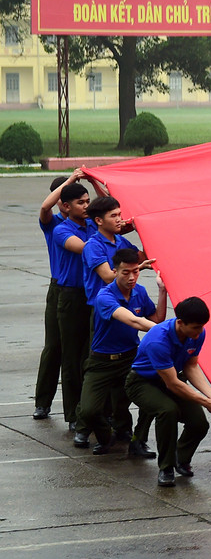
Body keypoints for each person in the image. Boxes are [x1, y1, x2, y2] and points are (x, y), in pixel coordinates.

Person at [124, 297, 211, 487]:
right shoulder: (159, 340)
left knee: (198, 424)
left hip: (172, 378)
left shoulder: (198, 333)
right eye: (195, 328)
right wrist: (207, 403)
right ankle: (166, 467)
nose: (199, 333)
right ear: (180, 322)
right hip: (143, 382)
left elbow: (191, 366)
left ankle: (181, 458)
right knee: (167, 411)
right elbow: (173, 384)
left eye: (201, 327)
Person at [76, 248, 165, 456]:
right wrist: (166, 332)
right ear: (115, 271)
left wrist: (163, 291)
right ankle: (106, 438)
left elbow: (156, 319)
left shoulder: (140, 292)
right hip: (101, 362)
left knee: (154, 399)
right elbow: (134, 320)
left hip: (130, 358)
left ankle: (138, 440)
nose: (132, 277)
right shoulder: (104, 296)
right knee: (89, 410)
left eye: (135, 271)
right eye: (125, 272)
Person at [34, 171, 83, 420]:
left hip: (82, 291)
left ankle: (78, 409)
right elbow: (45, 206)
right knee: (54, 347)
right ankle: (43, 401)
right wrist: (69, 182)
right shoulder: (53, 224)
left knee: (77, 353)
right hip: (59, 289)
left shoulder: (86, 223)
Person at [51, 182, 93, 441]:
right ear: (66, 207)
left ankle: (94, 411)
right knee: (72, 358)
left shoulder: (93, 225)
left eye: (88, 201)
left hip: (92, 297)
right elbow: (87, 250)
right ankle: (74, 415)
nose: (87, 206)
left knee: (92, 357)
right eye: (81, 202)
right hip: (70, 298)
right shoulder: (61, 229)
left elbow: (109, 207)